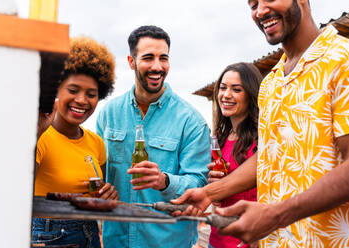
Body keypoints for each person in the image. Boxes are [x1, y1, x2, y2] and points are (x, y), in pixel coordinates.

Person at [172, 0, 349, 247]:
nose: (260, 11)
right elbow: (269, 157)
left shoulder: (348, 60)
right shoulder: (270, 83)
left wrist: (275, 216)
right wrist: (209, 193)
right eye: (253, 4)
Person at [96, 25, 211, 248]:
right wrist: (101, 188)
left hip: (168, 242)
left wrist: (164, 181)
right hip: (115, 241)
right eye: (148, 58)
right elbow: (97, 168)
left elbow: (199, 181)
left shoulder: (191, 121)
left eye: (163, 58)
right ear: (131, 62)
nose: (157, 66)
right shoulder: (108, 114)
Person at [32, 36, 119, 248]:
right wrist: (35, 134)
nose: (81, 100)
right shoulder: (40, 138)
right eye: (73, 90)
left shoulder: (96, 143)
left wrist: (108, 195)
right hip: (50, 237)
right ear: (56, 90)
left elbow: (98, 194)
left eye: (91, 94)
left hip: (89, 234)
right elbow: (14, 189)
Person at [208, 63, 261, 248]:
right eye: (223, 88)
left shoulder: (263, 137)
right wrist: (213, 188)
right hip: (216, 239)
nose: (226, 95)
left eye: (236, 89)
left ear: (251, 94)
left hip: (247, 240)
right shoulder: (220, 140)